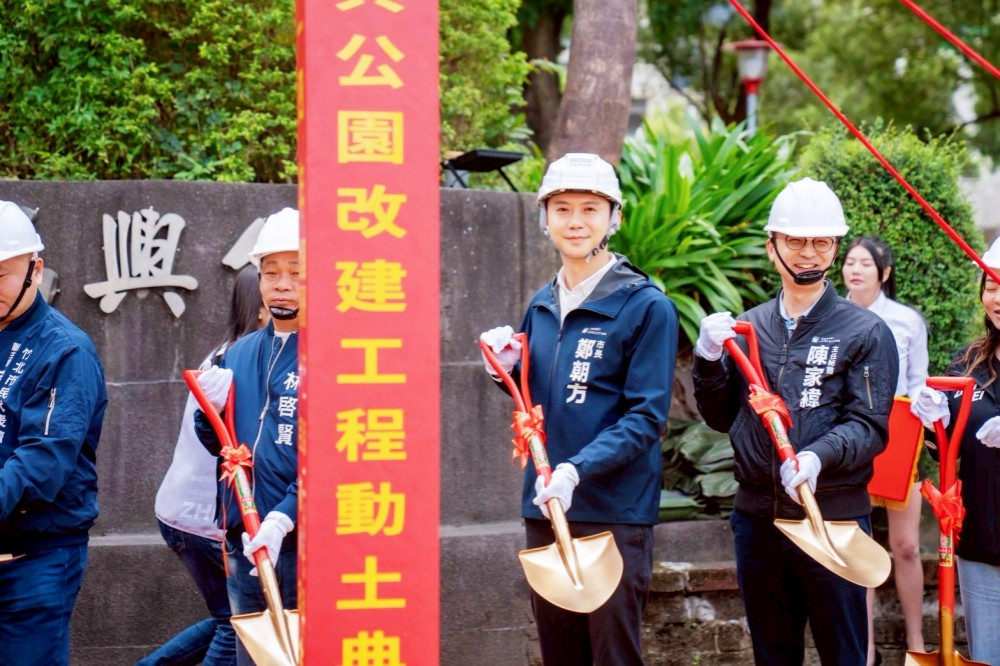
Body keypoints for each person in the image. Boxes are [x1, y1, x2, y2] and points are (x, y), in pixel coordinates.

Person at [479, 153, 679, 665]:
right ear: (544, 218)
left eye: (590, 208)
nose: (575, 222)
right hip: (547, 507)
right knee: (559, 653)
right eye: (562, 208)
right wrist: (507, 372)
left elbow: (646, 417)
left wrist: (576, 469)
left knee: (613, 654)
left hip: (612, 510)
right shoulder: (542, 302)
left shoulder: (645, 305)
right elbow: (545, 398)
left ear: (613, 217)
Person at [692, 178, 899, 665]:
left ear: (835, 248)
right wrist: (706, 360)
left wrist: (815, 455)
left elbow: (869, 425)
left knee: (844, 653)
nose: (808, 254)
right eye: (796, 241)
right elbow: (722, 417)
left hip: (835, 515)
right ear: (772, 247)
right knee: (772, 653)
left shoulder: (865, 329)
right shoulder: (749, 326)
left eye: (822, 242)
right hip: (758, 518)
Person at [138, 265, 267, 666]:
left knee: (226, 616)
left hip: (181, 514)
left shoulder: (224, 354)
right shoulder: (244, 364)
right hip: (207, 523)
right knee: (238, 621)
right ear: (260, 306)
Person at [0, 200, 108, 665]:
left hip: (35, 561)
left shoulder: (65, 351)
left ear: (35, 269)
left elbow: (44, 461)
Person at [194, 208, 300, 666]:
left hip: (305, 543)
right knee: (251, 657)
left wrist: (284, 518)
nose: (282, 283)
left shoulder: (340, 355)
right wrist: (208, 414)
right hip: (245, 540)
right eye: (271, 272)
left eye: (297, 272)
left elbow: (337, 458)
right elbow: (220, 443)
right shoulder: (240, 352)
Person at [910, 236, 1000, 666]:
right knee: (987, 654)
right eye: (991, 285)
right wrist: (934, 424)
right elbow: (942, 454)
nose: (997, 297)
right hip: (981, 540)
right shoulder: (966, 365)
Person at [842, 236, 928, 664]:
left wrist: (925, 406)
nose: (855, 270)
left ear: (884, 273)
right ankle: (866, 650)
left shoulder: (906, 321)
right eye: (850, 262)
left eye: (865, 264)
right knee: (858, 548)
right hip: (846, 440)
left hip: (899, 439)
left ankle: (916, 645)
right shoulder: (830, 315)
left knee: (907, 545)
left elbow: (917, 383)